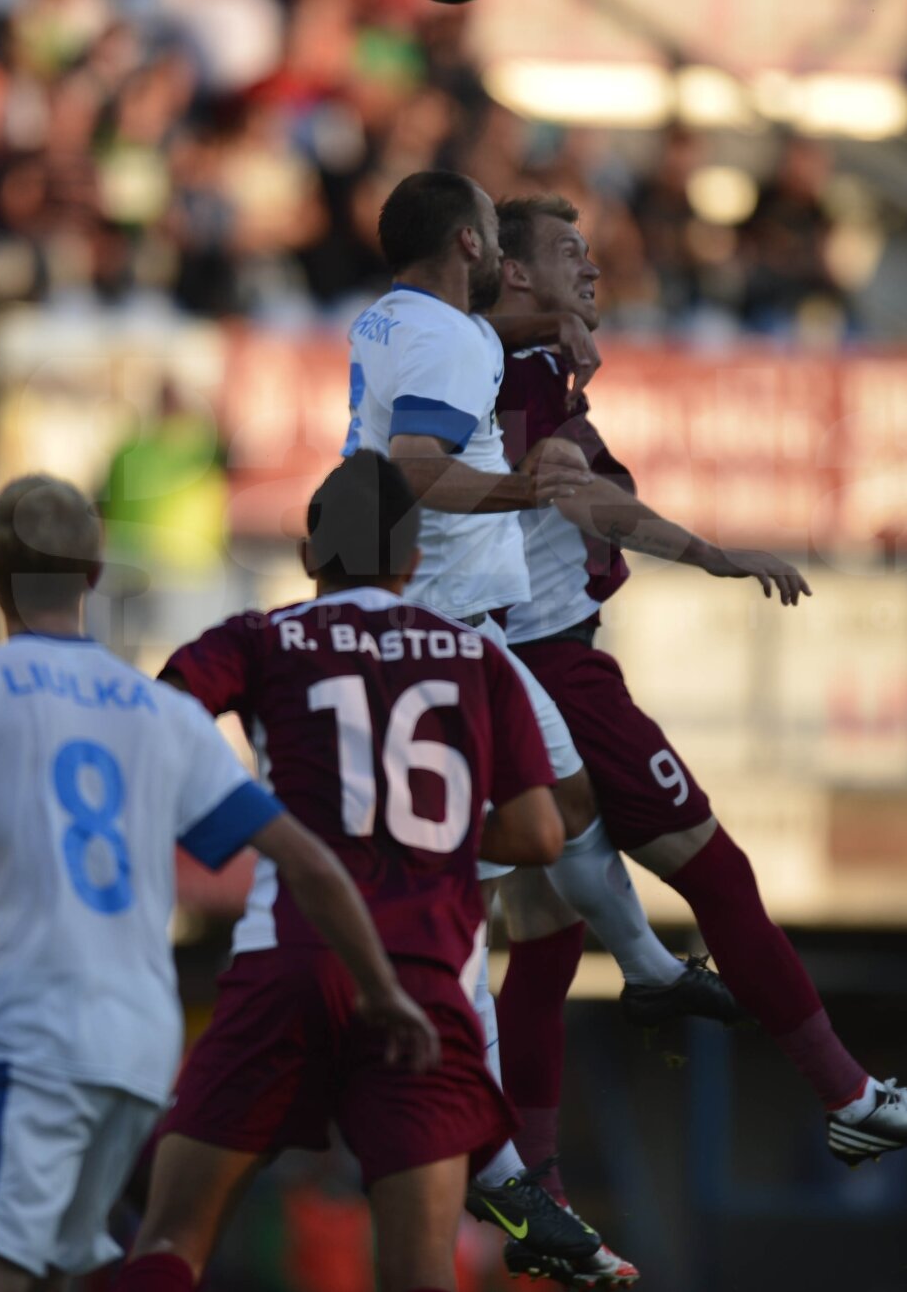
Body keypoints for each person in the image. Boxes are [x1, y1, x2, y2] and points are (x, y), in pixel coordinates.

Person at [488, 194, 907, 1254]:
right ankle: (849, 1098)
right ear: (514, 274)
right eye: (570, 255)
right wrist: (718, 554)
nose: (593, 269)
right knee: (715, 874)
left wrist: (565, 359)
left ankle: (538, 1190)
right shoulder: (513, 371)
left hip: (508, 663)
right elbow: (586, 503)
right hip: (556, 668)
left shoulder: (510, 362)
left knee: (540, 941)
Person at [0, 473, 437, 1292]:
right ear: (97, 576)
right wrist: (381, 988)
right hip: (140, 1052)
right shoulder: (161, 714)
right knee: (82, 1264)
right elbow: (309, 858)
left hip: (29, 1036)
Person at [342, 168, 737, 1282]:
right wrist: (529, 486)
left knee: (558, 810)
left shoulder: (401, 317)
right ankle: (506, 1170)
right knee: (460, 901)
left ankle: (648, 965)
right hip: (439, 631)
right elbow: (419, 469)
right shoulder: (456, 343)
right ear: (472, 239)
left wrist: (564, 326)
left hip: (462, 630)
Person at [115, 451, 571, 1292]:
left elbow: (159, 719)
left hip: (289, 961)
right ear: (413, 560)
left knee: (170, 1240)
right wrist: (426, 839)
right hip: (425, 984)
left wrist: (243, 820)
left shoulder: (262, 636)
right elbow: (543, 832)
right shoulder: (480, 661)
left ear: (308, 554)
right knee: (421, 1274)